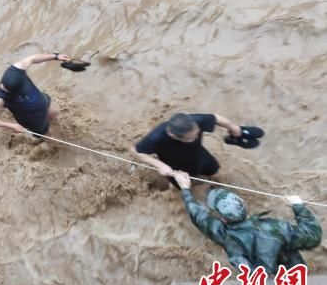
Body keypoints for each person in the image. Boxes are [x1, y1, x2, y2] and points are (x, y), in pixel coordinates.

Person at [173, 172, 322, 274]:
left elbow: (198, 215)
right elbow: (313, 236)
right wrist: (298, 206)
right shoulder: (277, 228)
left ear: (222, 219)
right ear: (245, 204)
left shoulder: (222, 234)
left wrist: (185, 189)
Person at [132, 113, 263, 188]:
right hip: (178, 167)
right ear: (172, 135)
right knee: (187, 186)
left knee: (216, 172)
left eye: (197, 133)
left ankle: (217, 188)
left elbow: (215, 118)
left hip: (200, 155)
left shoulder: (195, 121)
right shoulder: (156, 137)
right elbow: (135, 151)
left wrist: (234, 128)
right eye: (190, 138)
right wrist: (159, 165)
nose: (196, 137)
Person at [0, 52, 72, 135]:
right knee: (49, 134)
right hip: (32, 119)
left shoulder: (17, 68)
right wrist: (11, 126)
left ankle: (52, 124)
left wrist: (56, 56)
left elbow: (33, 58)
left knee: (54, 113)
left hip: (41, 100)